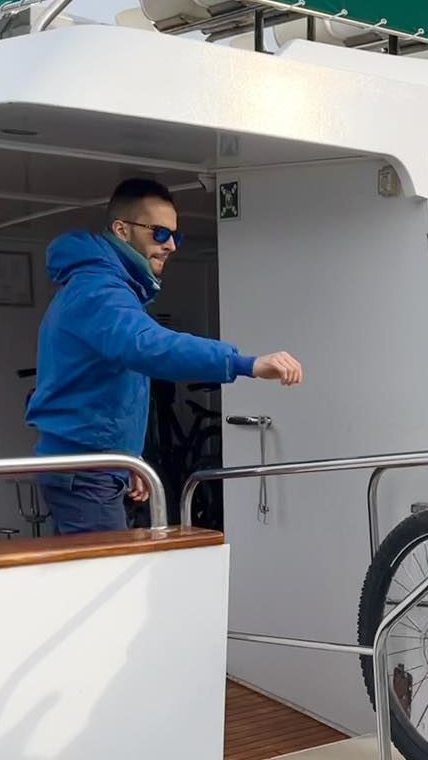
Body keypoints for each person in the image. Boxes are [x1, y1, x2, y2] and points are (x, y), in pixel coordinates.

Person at [26, 178, 303, 535]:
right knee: (108, 570)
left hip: (94, 465)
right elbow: (147, 346)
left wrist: (127, 457)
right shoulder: (98, 290)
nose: (170, 245)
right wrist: (245, 363)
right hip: (86, 471)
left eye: (175, 235)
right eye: (159, 233)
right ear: (122, 230)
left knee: (97, 566)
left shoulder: (103, 286)